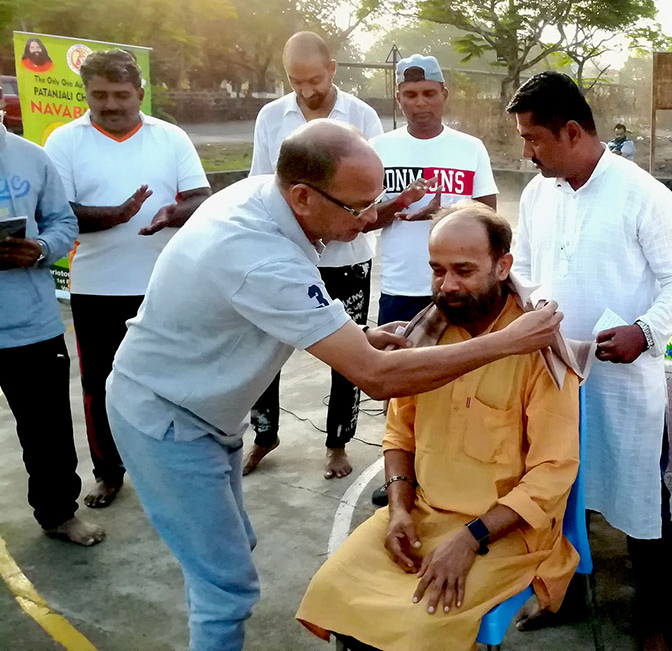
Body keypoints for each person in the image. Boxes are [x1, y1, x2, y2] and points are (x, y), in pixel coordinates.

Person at [104, 120, 563, 651]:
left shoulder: (262, 197)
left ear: (503, 266)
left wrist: (352, 334)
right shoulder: (258, 255)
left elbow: (551, 472)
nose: (371, 219)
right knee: (225, 589)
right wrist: (505, 343)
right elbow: (377, 382)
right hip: (170, 419)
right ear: (302, 196)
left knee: (231, 552)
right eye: (356, 207)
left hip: (493, 530)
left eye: (377, 200)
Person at [297, 203, 582, 651]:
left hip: (507, 534)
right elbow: (399, 436)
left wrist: (470, 539)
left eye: (463, 270)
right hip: (424, 514)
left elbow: (553, 473)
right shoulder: (425, 337)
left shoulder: (538, 349)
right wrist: (399, 509)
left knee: (420, 627)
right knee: (333, 590)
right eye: (437, 270)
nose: (446, 286)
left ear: (502, 266)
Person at [507, 72, 672, 651]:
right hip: (557, 374)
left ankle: (654, 618)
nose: (527, 151)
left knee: (641, 499)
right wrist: (539, 310)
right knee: (555, 494)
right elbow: (527, 270)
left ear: (572, 132)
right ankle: (557, 594)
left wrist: (644, 330)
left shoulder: (642, 194)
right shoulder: (540, 193)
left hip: (624, 381)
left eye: (535, 139)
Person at [44, 49, 211, 510]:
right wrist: (116, 214)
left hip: (165, 283)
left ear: (140, 93)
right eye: (100, 95)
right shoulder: (64, 141)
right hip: (96, 287)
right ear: (87, 94)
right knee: (101, 386)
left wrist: (172, 212)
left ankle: (174, 463)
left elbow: (202, 196)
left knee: (171, 380)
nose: (111, 104)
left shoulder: (170, 138)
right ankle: (108, 472)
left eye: (121, 95)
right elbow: (59, 212)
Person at [242, 31, 386, 480]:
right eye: (295, 81)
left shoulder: (361, 115)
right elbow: (260, 184)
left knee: (350, 349)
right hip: (285, 255)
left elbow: (371, 189)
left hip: (347, 255)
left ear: (333, 69)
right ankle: (265, 434)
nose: (305, 90)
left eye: (314, 80)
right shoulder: (271, 116)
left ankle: (338, 442)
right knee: (265, 348)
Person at [0, 87, 102, 546]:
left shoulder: (31, 158)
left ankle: (59, 513)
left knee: (49, 434)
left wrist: (40, 248)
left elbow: (63, 223)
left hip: (31, 325)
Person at [368, 54, 499, 327]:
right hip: (401, 288)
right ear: (398, 98)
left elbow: (490, 220)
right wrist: (401, 202)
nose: (420, 103)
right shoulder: (378, 149)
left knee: (462, 367)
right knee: (400, 365)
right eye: (410, 94)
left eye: (429, 93)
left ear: (444, 94)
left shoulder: (470, 147)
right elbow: (360, 221)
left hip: (460, 288)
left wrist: (445, 216)